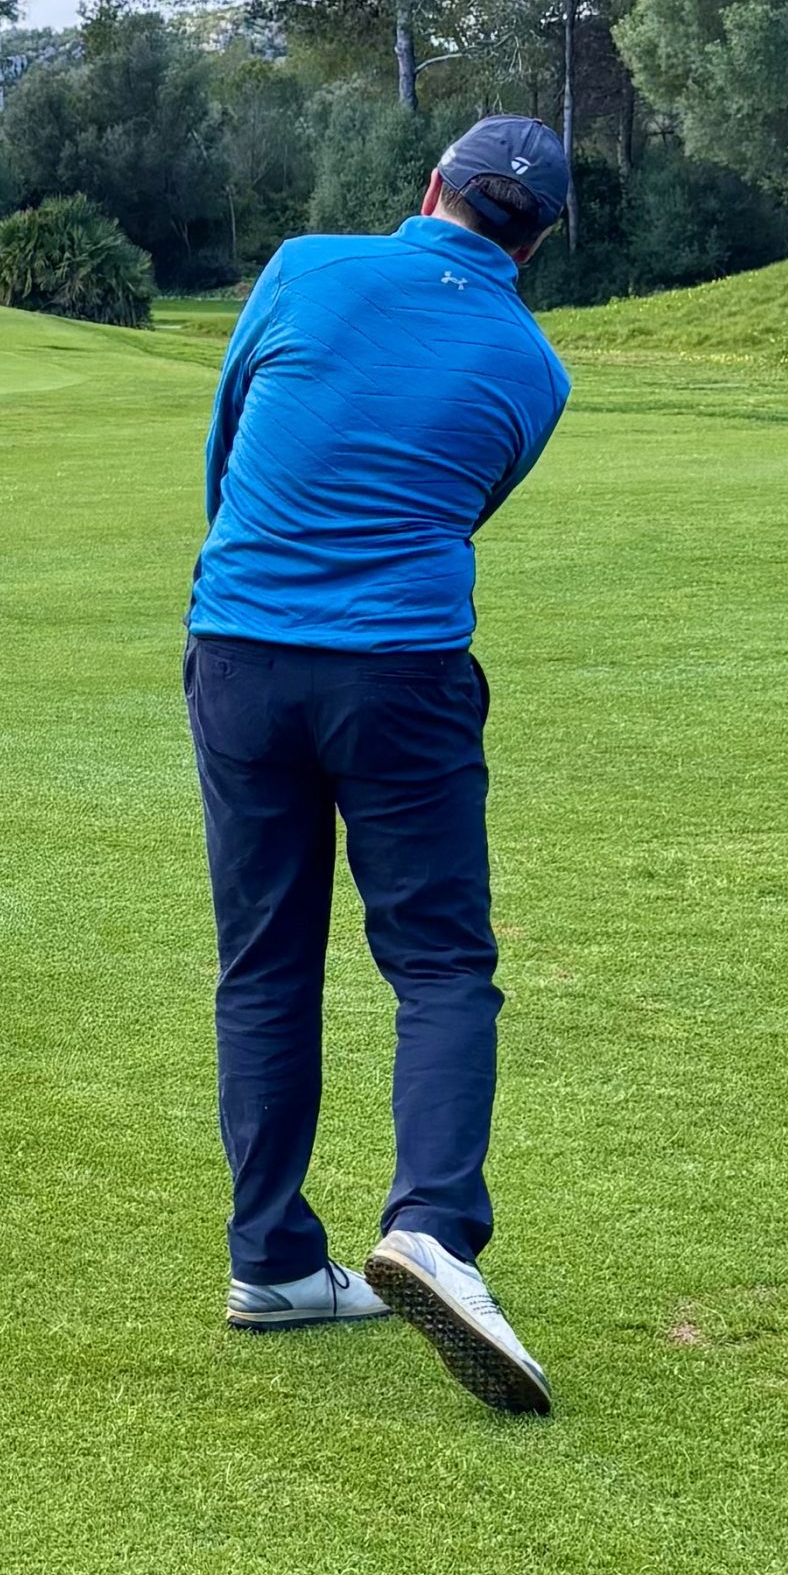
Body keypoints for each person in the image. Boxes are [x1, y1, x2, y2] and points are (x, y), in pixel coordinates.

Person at [185, 117, 573, 1416]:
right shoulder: (533, 368)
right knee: (440, 961)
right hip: (398, 675)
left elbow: (226, 454)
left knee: (265, 959)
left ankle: (272, 1264)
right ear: (537, 241)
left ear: (430, 191)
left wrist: (259, 586)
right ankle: (435, 1228)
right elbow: (463, 501)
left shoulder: (302, 268)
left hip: (239, 649)